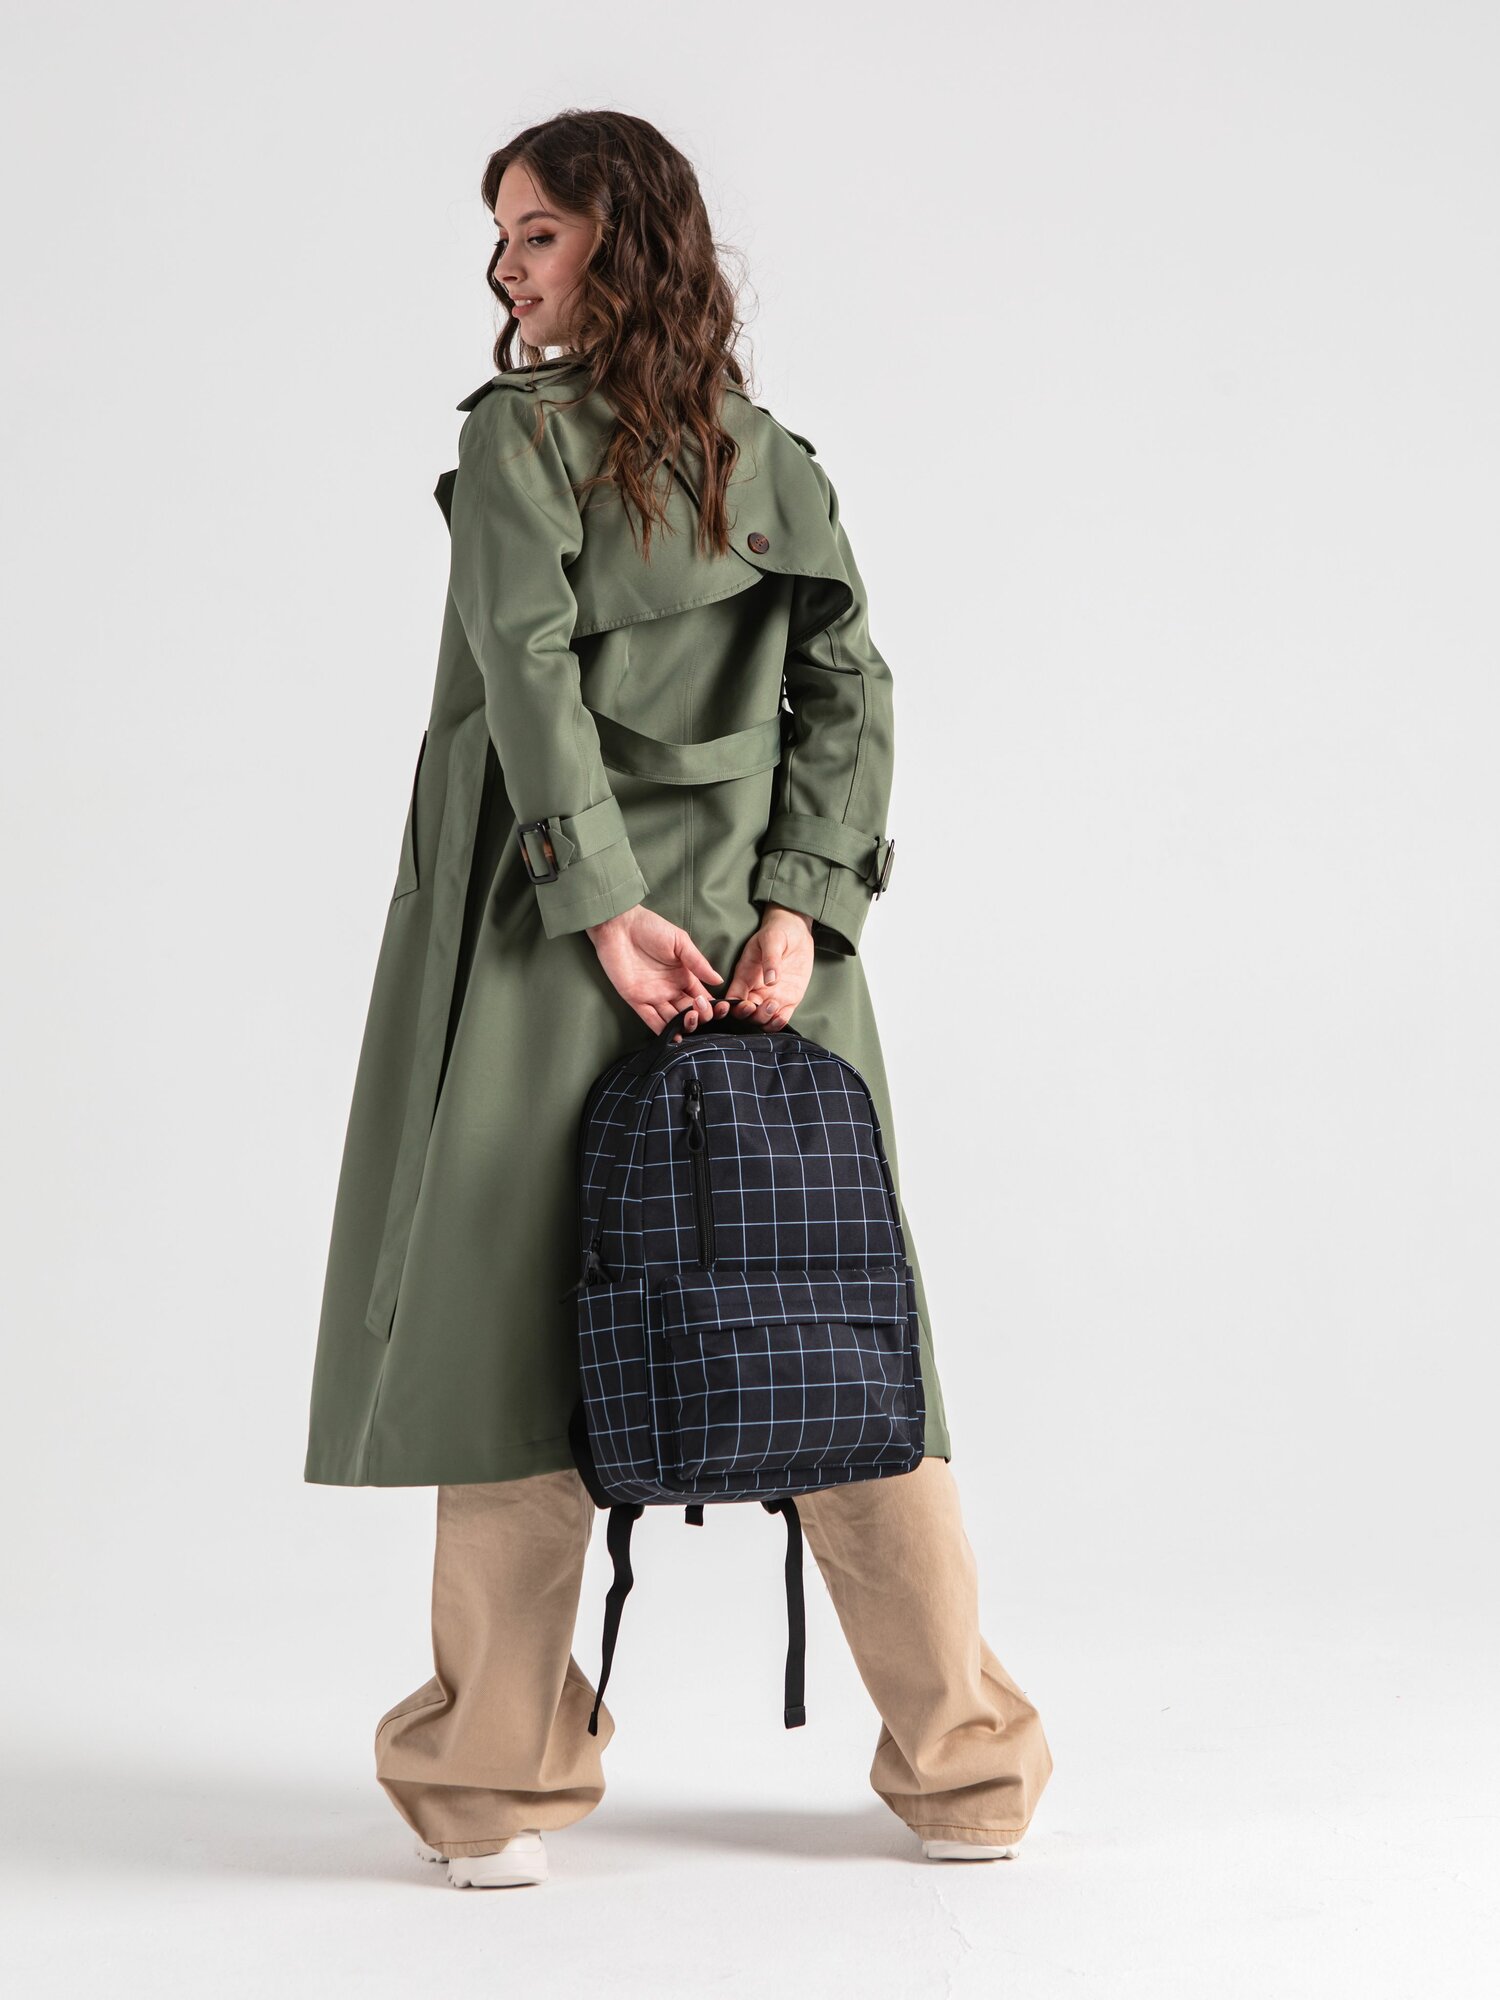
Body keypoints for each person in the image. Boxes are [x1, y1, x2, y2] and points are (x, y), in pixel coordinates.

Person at [303, 109, 1052, 1889]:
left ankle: (492, 1791)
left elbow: (527, 671)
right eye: (504, 234)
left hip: (558, 944)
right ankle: (968, 1775)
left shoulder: (518, 443)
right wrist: (801, 911)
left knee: (518, 1345)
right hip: (766, 969)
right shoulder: (771, 459)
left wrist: (600, 903)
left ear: (622, 244)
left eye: (541, 232)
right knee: (835, 1322)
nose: (507, 265)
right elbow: (852, 691)